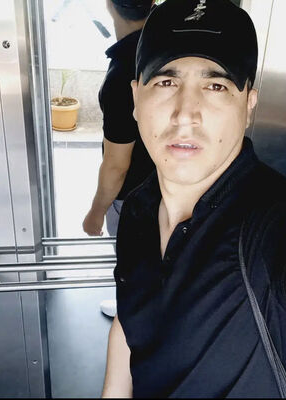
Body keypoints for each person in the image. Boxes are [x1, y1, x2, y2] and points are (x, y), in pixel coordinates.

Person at [102, 0, 286, 397]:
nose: (186, 114)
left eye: (216, 86)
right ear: (136, 99)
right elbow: (130, 322)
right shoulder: (138, 209)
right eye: (166, 82)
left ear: (248, 106)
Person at [82, 0, 155, 316]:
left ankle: (132, 317)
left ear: (109, 5)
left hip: (133, 197)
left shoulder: (123, 72)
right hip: (172, 186)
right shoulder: (167, 49)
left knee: (132, 263)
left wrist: (96, 211)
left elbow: (116, 165)